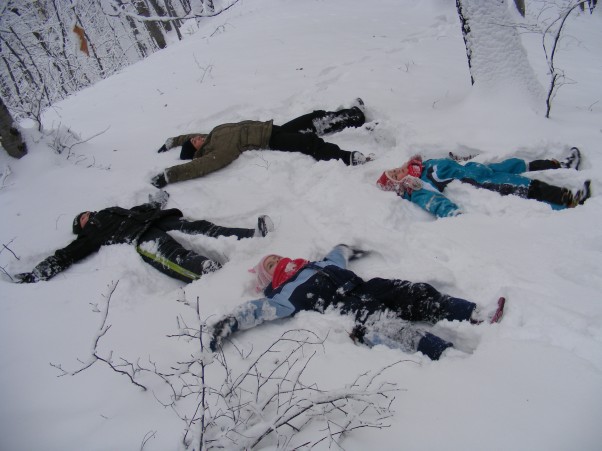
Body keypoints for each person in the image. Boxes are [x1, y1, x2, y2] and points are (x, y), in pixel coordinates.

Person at [208, 245, 506, 360]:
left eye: (274, 257)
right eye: (269, 266)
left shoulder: (317, 263)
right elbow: (257, 311)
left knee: (416, 293)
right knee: (393, 329)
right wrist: (230, 321)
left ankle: (473, 313)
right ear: (268, 280)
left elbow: (339, 254)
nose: (275, 261)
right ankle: (446, 355)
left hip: (368, 288)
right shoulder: (282, 295)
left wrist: (347, 246)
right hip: (346, 309)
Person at [14, 192, 274, 284]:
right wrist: (39, 273)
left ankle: (251, 235)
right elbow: (68, 253)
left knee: (203, 228)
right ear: (81, 226)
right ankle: (204, 270)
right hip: (139, 237)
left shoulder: (109, 211)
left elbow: (139, 210)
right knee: (171, 255)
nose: (88, 214)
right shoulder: (91, 232)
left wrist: (157, 202)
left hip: (157, 220)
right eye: (82, 217)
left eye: (87, 212)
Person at [151, 100, 374, 188]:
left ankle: (353, 116)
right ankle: (347, 157)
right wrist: (169, 175)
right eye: (195, 142)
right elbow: (195, 167)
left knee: (311, 119)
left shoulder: (210, 137)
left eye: (195, 138)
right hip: (268, 140)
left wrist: (173, 141)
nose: (197, 138)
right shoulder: (216, 152)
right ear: (198, 150)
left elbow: (188, 136)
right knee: (308, 141)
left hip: (270, 129)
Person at [376, 147, 591, 218]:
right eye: (396, 176)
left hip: (476, 169)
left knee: (515, 164)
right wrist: (453, 214)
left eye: (395, 169)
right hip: (481, 181)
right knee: (525, 187)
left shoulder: (423, 165)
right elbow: (433, 201)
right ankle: (569, 201)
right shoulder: (418, 186)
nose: (398, 170)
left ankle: (559, 166)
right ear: (401, 184)